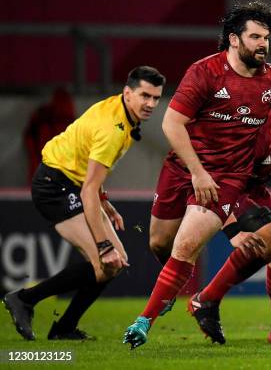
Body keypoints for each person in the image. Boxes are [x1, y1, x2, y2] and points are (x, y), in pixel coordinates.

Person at [123, 1, 271, 349]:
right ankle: (170, 289)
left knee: (185, 247)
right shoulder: (205, 72)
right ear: (234, 39)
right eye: (256, 37)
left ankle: (143, 322)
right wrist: (197, 172)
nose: (263, 44)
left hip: (227, 177)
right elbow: (172, 123)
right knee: (160, 242)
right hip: (183, 169)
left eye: (266, 38)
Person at [3, 66, 165, 341]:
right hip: (54, 187)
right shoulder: (113, 130)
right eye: (145, 96)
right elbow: (88, 190)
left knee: (117, 262)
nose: (150, 104)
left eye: (156, 98)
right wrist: (103, 245)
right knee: (105, 261)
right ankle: (24, 299)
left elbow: (90, 174)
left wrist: (105, 202)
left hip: (72, 183)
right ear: (128, 93)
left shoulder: (120, 111)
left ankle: (63, 328)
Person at [188, 78, 271, 345]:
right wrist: (232, 228)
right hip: (224, 184)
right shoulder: (259, 131)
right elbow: (220, 177)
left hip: (254, 187)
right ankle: (206, 299)